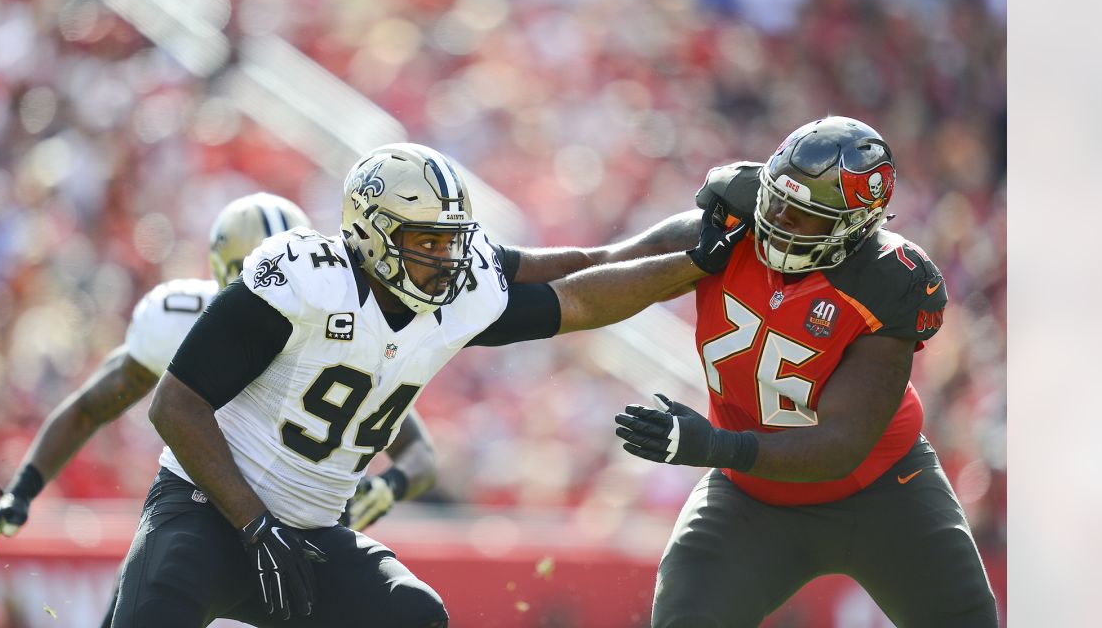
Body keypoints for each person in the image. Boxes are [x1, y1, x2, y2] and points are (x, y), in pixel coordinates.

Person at [108, 142, 749, 628]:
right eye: (426, 242)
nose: (446, 260)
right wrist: (253, 525)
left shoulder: (458, 289)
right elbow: (176, 405)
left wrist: (700, 258)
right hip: (207, 514)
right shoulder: (305, 277)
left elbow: (586, 283)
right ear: (370, 232)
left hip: (306, 535)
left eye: (451, 241)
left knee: (414, 616)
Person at [0, 192, 437, 624]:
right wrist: (22, 490)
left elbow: (420, 452)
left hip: (297, 526)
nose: (278, 285)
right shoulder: (181, 319)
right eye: (255, 268)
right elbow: (90, 408)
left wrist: (389, 486)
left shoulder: (339, 324)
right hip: (202, 512)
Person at [613, 116, 999, 627]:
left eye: (803, 214)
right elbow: (601, 270)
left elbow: (840, 445)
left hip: (885, 492)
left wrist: (711, 445)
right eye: (777, 201)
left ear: (853, 227)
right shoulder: (729, 231)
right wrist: (505, 287)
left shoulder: (886, 282)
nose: (778, 219)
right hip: (751, 495)